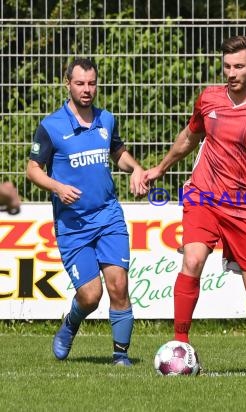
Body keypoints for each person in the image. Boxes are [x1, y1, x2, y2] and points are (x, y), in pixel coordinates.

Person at [144, 35, 246, 373]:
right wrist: (160, 167)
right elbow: (189, 137)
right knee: (193, 259)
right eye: (227, 66)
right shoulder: (209, 99)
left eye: (239, 66)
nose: (231, 72)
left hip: (245, 205)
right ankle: (180, 345)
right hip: (203, 194)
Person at [26, 58, 147, 366]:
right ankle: (70, 324)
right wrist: (56, 187)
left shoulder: (106, 120)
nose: (86, 89)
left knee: (119, 285)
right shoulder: (51, 126)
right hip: (73, 225)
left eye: (91, 83)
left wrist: (135, 168)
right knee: (91, 296)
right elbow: (33, 170)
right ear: (68, 84)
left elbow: (118, 153)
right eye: (80, 83)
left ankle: (121, 356)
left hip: (108, 216)